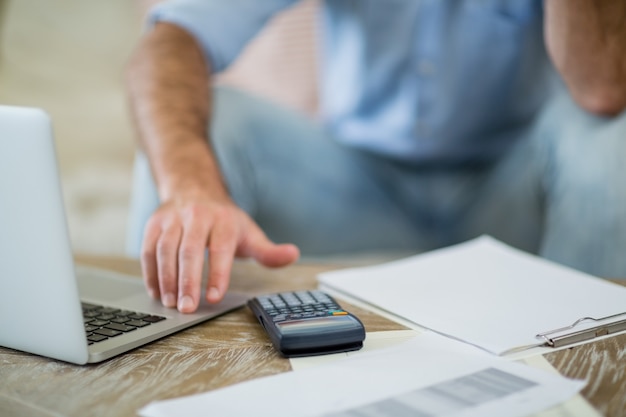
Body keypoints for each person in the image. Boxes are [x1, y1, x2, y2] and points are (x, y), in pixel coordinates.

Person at [125, 0, 626, 314]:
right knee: (198, 131)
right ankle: (150, 360)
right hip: (357, 194)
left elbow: (604, 87)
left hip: (514, 197)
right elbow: (171, 41)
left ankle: (583, 371)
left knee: (615, 132)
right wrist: (191, 189)